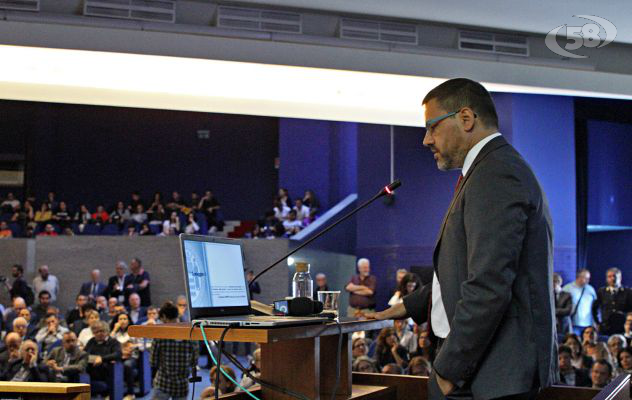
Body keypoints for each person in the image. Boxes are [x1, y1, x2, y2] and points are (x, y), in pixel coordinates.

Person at [368, 78, 556, 400]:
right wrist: (406, 307)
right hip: (485, 372)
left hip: (491, 376)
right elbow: (464, 270)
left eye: (432, 127)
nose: (426, 140)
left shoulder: (496, 173)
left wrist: (448, 371)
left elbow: (489, 283)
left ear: (466, 119)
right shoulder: (488, 169)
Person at [150, 302, 199, 400]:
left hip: (163, 383)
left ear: (164, 317)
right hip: (182, 385)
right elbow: (194, 362)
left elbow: (153, 362)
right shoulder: (191, 335)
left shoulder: (159, 335)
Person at [84, 320, 122, 393]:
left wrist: (102, 358)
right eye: (96, 332)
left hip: (106, 370)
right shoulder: (92, 341)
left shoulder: (113, 342)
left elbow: (118, 354)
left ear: (107, 331)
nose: (99, 334)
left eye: (101, 331)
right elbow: (85, 353)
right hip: (91, 368)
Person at [592, 268, 632, 336]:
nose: (613, 278)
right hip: (606, 327)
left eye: (615, 276)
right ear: (606, 278)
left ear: (620, 277)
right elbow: (594, 308)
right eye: (610, 276)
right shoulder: (602, 292)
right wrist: (597, 323)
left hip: (622, 327)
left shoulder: (628, 292)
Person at [563, 268, 597, 336]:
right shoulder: (567, 288)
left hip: (588, 324)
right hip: (573, 323)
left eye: (588, 278)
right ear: (578, 277)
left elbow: (595, 306)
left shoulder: (590, 289)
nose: (588, 280)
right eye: (586, 278)